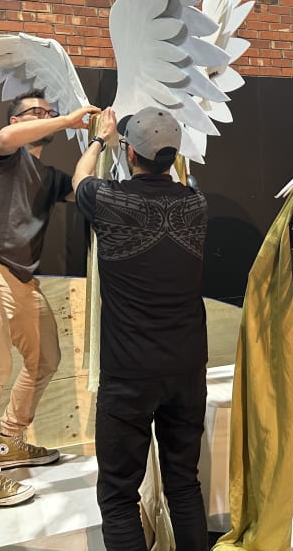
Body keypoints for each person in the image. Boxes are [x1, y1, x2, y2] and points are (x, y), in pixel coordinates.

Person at [0, 88, 99, 506]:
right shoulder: (3, 152)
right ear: (16, 122)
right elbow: (6, 139)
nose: (45, 117)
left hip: (20, 279)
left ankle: (10, 440)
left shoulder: (48, 179)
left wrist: (101, 141)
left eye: (49, 113)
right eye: (36, 113)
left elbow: (84, 186)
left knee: (46, 358)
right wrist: (67, 121)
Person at [73, 108, 209, 551]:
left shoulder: (109, 201)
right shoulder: (196, 204)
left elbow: (80, 179)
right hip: (187, 369)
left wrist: (99, 140)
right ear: (173, 156)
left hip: (129, 373)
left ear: (131, 151)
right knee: (184, 484)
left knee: (118, 495)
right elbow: (168, 187)